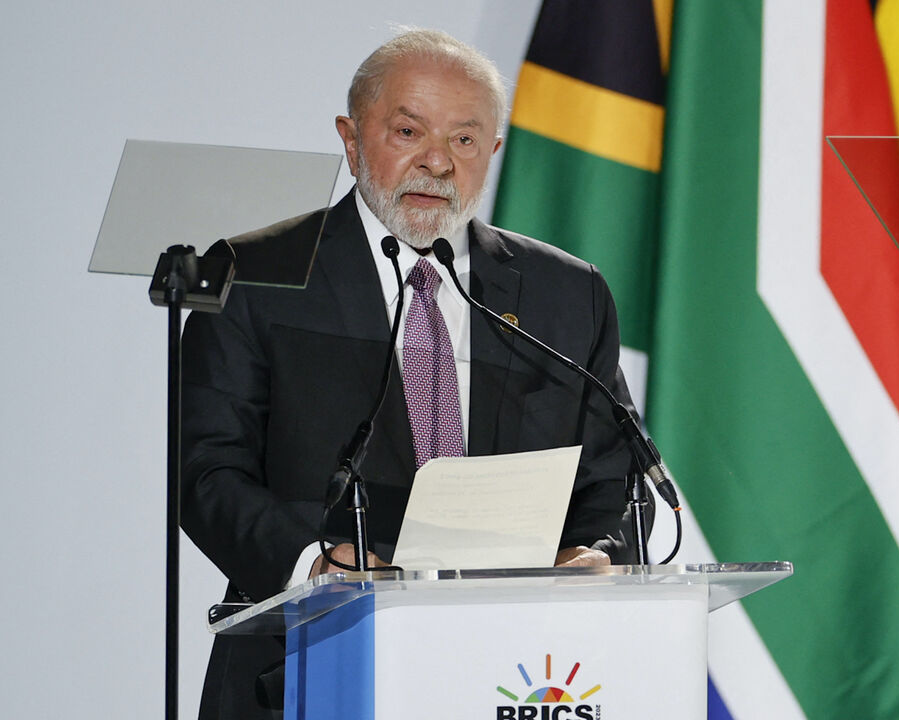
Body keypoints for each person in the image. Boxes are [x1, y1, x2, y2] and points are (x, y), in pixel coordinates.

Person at [180, 28, 637, 719]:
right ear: (352, 137)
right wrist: (313, 566)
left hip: (515, 675)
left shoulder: (565, 294)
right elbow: (206, 472)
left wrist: (596, 552)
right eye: (407, 131)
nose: (437, 163)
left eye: (464, 139)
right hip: (305, 666)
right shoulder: (257, 277)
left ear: (493, 153)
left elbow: (613, 476)